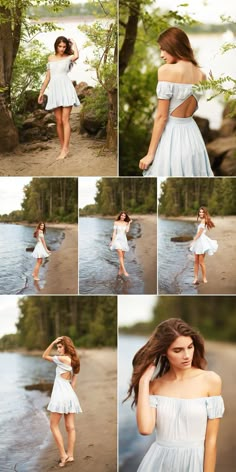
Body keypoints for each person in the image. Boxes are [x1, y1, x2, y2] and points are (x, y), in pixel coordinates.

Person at [125, 318, 224, 472]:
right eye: (178, 350)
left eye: (190, 347)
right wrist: (144, 381)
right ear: (164, 352)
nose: (186, 355)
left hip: (194, 461)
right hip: (159, 462)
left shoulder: (211, 380)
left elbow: (211, 441)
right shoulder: (154, 385)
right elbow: (145, 429)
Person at [139, 27, 213, 177]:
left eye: (163, 49)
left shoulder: (166, 71)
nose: (161, 55)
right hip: (194, 138)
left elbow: (162, 117)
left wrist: (150, 153)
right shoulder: (201, 74)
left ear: (174, 46)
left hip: (173, 138)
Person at [42, 336, 82, 468]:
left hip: (60, 395)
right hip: (70, 394)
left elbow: (44, 355)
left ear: (66, 346)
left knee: (53, 426)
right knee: (70, 427)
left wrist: (52, 341)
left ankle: (63, 455)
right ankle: (70, 455)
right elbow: (73, 383)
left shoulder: (62, 359)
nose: (58, 349)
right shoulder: (75, 361)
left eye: (60, 346)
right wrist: (68, 394)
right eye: (57, 346)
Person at [38, 36, 80, 160]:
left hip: (66, 89)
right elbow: (48, 77)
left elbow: (76, 55)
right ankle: (63, 147)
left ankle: (66, 149)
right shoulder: (50, 58)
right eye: (60, 46)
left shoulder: (68, 58)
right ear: (56, 46)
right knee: (58, 121)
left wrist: (74, 43)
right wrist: (41, 92)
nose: (62, 49)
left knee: (65, 120)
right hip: (54, 91)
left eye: (64, 47)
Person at [190, 207, 218, 284]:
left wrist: (193, 241)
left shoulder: (203, 220)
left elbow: (199, 233)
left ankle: (204, 278)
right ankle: (195, 278)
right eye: (200, 212)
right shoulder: (202, 220)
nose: (201, 213)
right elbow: (199, 233)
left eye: (202, 212)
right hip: (198, 242)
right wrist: (195, 240)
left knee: (201, 262)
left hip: (202, 242)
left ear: (205, 213)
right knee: (196, 261)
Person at [110, 211, 132, 277]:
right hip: (117, 239)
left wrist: (129, 223)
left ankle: (120, 270)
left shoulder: (126, 223)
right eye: (122, 215)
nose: (123, 217)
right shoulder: (116, 222)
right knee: (120, 254)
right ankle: (124, 271)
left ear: (125, 217)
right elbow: (114, 232)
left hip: (123, 240)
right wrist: (112, 241)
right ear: (120, 216)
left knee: (122, 256)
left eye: (124, 216)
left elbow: (127, 231)